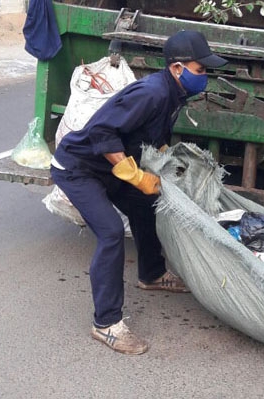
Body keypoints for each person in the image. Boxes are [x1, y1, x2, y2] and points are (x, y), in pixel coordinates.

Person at [50, 30, 227, 355]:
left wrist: (161, 161)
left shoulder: (174, 95)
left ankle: (152, 274)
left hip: (108, 169)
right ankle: (106, 324)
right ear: (177, 68)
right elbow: (103, 130)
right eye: (201, 70)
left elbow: (148, 134)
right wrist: (132, 174)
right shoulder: (152, 93)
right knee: (111, 233)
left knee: (147, 203)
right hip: (78, 169)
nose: (205, 77)